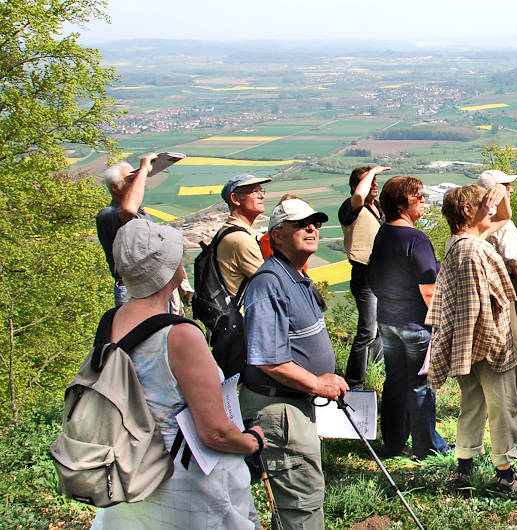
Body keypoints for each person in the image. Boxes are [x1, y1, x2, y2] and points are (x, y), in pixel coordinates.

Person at [92, 220, 264, 529]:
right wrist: (253, 442)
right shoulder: (179, 335)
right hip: (187, 484)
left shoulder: (110, 322)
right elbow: (214, 433)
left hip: (132, 473)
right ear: (172, 269)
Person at [240, 198, 349, 529]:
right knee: (301, 506)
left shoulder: (295, 276)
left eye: (314, 223)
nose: (312, 228)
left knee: (298, 502)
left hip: (293, 404)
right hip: (278, 411)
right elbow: (269, 359)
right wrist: (318, 384)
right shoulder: (269, 282)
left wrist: (322, 374)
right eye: (301, 224)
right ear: (277, 236)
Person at [426, 185, 517, 492]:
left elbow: (502, 219)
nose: (491, 209)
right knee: (502, 407)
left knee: (473, 403)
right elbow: (475, 305)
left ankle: (464, 468)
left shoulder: (459, 242)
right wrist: (493, 344)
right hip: (486, 343)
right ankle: (505, 474)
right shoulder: (474, 249)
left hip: (465, 343)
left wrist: (495, 196)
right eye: (484, 205)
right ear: (468, 211)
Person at [367, 176, 451, 460]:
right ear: (404, 203)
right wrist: (441, 323)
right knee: (420, 385)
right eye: (419, 197)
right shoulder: (416, 238)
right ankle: (427, 447)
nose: (424, 202)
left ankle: (392, 442)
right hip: (416, 322)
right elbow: (430, 289)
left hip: (387, 319)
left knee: (394, 381)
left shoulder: (383, 233)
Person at [476, 169, 517, 420]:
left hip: (491, 291)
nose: (511, 190)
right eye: (505, 186)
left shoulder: (478, 221)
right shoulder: (503, 225)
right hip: (514, 289)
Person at [338, 165, 390, 389]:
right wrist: (371, 172)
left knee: (379, 328)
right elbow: (359, 194)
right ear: (354, 185)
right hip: (364, 274)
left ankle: (376, 374)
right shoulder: (350, 208)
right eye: (370, 181)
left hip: (382, 274)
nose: (374, 184)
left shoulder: (377, 207)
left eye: (377, 181)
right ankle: (354, 381)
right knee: (368, 329)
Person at [97, 155, 155, 306]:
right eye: (130, 180)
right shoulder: (109, 214)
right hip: (132, 290)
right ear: (114, 187)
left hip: (151, 287)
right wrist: (143, 170)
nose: (136, 183)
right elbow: (128, 210)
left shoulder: (140, 213)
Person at [216, 173, 272, 297]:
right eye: (254, 191)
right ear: (235, 199)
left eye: (261, 190)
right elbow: (270, 284)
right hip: (242, 314)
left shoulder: (229, 231)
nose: (261, 196)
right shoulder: (240, 239)